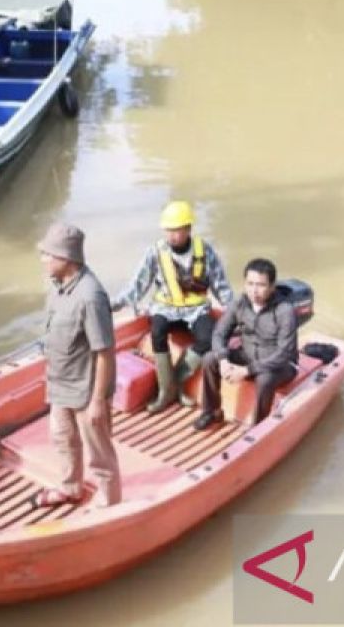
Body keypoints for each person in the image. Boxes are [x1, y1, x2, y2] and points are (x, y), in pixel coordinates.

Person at [111, 201, 234, 412]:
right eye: (168, 230)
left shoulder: (205, 252)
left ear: (188, 229)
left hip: (196, 310)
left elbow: (221, 286)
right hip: (165, 308)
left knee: (209, 338)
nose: (171, 235)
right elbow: (138, 285)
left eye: (176, 230)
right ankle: (165, 392)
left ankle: (177, 380)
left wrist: (236, 311)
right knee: (157, 330)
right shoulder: (155, 253)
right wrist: (115, 303)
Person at [32, 221, 121, 508]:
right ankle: (71, 488)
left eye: (48, 254)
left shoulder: (90, 296)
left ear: (65, 258)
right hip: (60, 385)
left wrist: (97, 401)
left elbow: (105, 351)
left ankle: (109, 503)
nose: (43, 260)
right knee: (63, 440)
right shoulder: (58, 288)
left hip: (85, 390)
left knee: (99, 454)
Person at [195, 258, 299, 431]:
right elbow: (220, 333)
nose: (254, 290)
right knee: (209, 359)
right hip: (248, 354)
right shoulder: (240, 303)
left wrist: (246, 371)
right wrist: (223, 359)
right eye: (250, 284)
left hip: (280, 365)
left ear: (272, 286)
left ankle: (258, 427)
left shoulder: (285, 311)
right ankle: (211, 411)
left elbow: (284, 354)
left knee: (265, 379)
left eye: (261, 285)